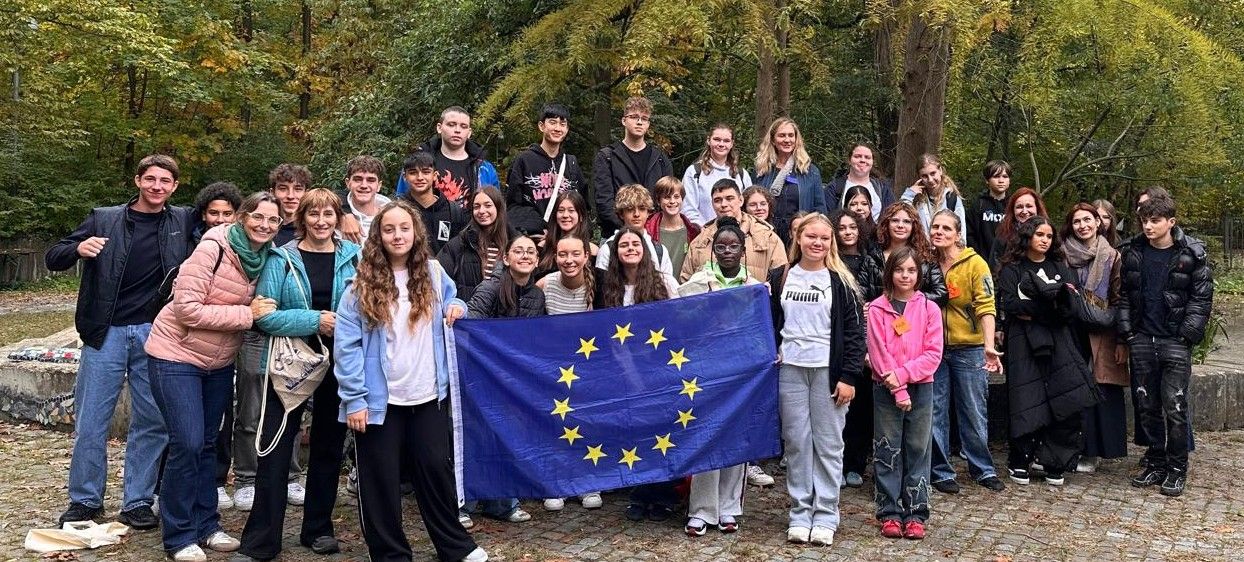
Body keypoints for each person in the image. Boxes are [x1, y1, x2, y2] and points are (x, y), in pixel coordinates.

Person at [45, 154, 195, 530]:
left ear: (175, 186)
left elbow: (231, 223)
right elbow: (54, 257)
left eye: (166, 181)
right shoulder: (104, 218)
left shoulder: (183, 220)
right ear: (138, 180)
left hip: (156, 333)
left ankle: (138, 501)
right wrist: (78, 249)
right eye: (151, 179)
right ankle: (85, 500)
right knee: (92, 421)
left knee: (153, 421)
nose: (158, 186)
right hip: (105, 332)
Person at [334, 200, 487, 562]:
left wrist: (459, 308)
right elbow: (347, 345)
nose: (397, 235)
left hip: (427, 395)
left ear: (416, 231)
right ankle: (389, 553)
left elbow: (456, 302)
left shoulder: (433, 273)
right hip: (378, 402)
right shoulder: (360, 284)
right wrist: (354, 398)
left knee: (435, 472)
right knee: (381, 482)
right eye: (389, 229)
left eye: (404, 228)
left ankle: (455, 547)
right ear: (378, 236)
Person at [144, 192, 281, 561]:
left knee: (206, 444)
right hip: (175, 355)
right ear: (242, 217)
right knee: (186, 443)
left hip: (217, 363)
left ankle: (207, 524)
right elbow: (187, 309)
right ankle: (178, 535)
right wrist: (246, 314)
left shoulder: (266, 257)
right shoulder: (212, 248)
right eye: (258, 217)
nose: (265, 225)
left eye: (273, 220)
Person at [232, 190, 360, 561]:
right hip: (291, 360)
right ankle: (261, 540)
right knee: (275, 446)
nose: (321, 221)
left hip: (341, 359)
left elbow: (368, 306)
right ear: (301, 218)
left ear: (338, 218)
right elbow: (265, 316)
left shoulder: (354, 257)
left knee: (328, 445)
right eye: (314, 215)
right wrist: (315, 320)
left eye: (329, 215)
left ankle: (318, 528)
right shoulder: (280, 258)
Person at [769, 213, 864, 546]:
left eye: (825, 238)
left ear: (831, 242)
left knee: (828, 444)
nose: (817, 243)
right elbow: (769, 324)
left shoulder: (841, 281)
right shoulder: (781, 277)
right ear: (799, 238)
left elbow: (855, 334)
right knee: (796, 442)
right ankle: (800, 512)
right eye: (811, 236)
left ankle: (825, 513)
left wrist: (850, 375)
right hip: (791, 370)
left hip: (829, 373)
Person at [232, 164, 315, 512]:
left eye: (298, 189)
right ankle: (247, 477)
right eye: (284, 189)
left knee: (290, 406)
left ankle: (292, 476)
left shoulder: (312, 224)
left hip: (296, 331)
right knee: (251, 406)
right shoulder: (263, 227)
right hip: (255, 331)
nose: (291, 196)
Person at [1119, 195, 1213, 497]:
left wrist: (1186, 336)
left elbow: (1201, 299)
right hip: (1143, 339)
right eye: (1145, 220)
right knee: (1146, 407)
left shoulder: (1192, 254)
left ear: (1171, 222)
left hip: (1175, 341)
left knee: (1174, 406)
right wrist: (1129, 334)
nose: (1148, 226)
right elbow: (1124, 296)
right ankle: (1155, 463)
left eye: (1155, 220)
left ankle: (1177, 468)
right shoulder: (1133, 252)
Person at [997, 217, 1098, 487]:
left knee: (1060, 397)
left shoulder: (1060, 268)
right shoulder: (1012, 269)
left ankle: (1054, 460)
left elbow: (1070, 307)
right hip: (1022, 343)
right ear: (1027, 236)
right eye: (1039, 234)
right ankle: (1021, 459)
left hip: (1058, 341)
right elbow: (1010, 304)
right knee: (1025, 397)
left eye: (1049, 236)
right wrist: (1047, 309)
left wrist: (1039, 311)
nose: (1044, 240)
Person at [680, 216, 761, 536]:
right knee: (706, 439)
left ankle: (729, 507)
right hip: (705, 374)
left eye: (734, 246)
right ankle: (701, 510)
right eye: (721, 246)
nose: (728, 251)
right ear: (713, 250)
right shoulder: (697, 285)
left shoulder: (754, 288)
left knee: (734, 442)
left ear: (743, 251)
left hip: (740, 377)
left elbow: (760, 332)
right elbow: (682, 323)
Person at [596, 226, 680, 521]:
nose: (630, 248)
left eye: (635, 243)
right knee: (634, 433)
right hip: (623, 371)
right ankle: (640, 494)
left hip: (658, 370)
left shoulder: (664, 283)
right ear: (615, 253)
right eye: (624, 245)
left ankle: (664, 495)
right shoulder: (608, 287)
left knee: (662, 432)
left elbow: (677, 323)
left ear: (644, 249)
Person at [867, 246, 943, 541]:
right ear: (890, 273)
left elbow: (933, 353)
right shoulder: (877, 308)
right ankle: (889, 511)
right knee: (887, 448)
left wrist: (903, 376)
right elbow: (878, 352)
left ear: (919, 274)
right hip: (885, 389)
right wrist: (896, 386)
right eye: (900, 270)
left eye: (911, 270)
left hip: (922, 386)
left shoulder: (929, 309)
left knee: (918, 448)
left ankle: (916, 512)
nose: (906, 276)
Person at [927, 210, 1006, 493]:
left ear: (957, 233)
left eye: (946, 228)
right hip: (934, 348)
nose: (939, 232)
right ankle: (940, 470)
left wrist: (988, 345)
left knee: (973, 409)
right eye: (935, 227)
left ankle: (982, 469)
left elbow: (986, 307)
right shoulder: (926, 262)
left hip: (969, 347)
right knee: (935, 410)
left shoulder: (975, 264)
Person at [535, 234, 603, 512]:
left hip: (590, 368)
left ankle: (589, 482)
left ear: (586, 256)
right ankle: (557, 483)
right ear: (555, 257)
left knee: (587, 423)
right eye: (563, 254)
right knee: (556, 425)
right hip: (555, 367)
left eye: (576, 254)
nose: (569, 260)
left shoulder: (598, 285)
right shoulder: (544, 284)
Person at [1061, 203, 1128, 475]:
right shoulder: (1062, 252)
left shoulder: (1112, 256)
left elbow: (1119, 298)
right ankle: (1071, 449)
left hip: (1102, 331)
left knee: (1099, 391)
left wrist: (1123, 339)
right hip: (1070, 328)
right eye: (1077, 221)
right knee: (1072, 389)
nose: (1083, 226)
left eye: (1087, 220)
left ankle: (1094, 451)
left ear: (1098, 223)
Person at [829, 209, 881, 488]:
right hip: (836, 342)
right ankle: (835, 464)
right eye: (842, 227)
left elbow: (879, 296)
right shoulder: (830, 264)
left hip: (867, 338)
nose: (847, 232)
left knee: (862, 408)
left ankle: (856, 464)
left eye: (852, 227)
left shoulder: (871, 262)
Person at [679, 179, 788, 285]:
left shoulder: (767, 237)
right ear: (712, 204)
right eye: (717, 200)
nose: (723, 204)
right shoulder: (700, 242)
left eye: (729, 198)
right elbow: (686, 283)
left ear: (741, 200)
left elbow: (781, 281)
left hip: (753, 302)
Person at [593, 96, 673, 237]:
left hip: (653, 235)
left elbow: (667, 199)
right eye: (634, 117)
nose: (639, 122)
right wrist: (629, 229)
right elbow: (604, 202)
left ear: (648, 124)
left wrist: (650, 228)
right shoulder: (607, 157)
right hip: (616, 235)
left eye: (644, 118)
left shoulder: (660, 159)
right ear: (624, 120)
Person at [505, 103, 586, 235]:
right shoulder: (524, 160)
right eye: (552, 122)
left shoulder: (571, 163)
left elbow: (582, 205)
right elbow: (514, 206)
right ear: (541, 126)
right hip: (534, 238)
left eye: (562, 124)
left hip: (566, 239)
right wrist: (538, 229)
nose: (557, 128)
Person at [394, 106, 500, 207]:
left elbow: (495, 206)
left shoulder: (484, 168)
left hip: (471, 225)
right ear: (439, 128)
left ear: (469, 132)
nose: (457, 130)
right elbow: (402, 202)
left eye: (463, 126)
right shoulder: (417, 164)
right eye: (451, 124)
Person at [753, 117, 827, 244]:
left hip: (798, 234)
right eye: (782, 136)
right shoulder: (761, 170)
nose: (787, 140)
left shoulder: (810, 171)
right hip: (767, 232)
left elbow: (820, 208)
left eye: (791, 135)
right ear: (773, 140)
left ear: (796, 139)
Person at [437, 186, 513, 301]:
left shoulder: (515, 242)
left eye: (488, 205)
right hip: (469, 313)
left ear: (498, 208)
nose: (482, 211)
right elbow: (438, 278)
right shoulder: (459, 244)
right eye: (476, 207)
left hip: (504, 316)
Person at [876, 202, 948, 306]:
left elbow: (941, 294)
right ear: (887, 224)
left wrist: (909, 300)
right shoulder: (873, 257)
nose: (900, 225)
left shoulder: (926, 257)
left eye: (906, 221)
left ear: (914, 226)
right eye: (895, 220)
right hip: (881, 316)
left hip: (918, 317)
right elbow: (862, 294)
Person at [594, 184, 674, 277]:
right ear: (621, 214)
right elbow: (602, 287)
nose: (636, 214)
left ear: (648, 212)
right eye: (630, 209)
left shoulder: (659, 251)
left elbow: (668, 288)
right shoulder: (608, 249)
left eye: (642, 209)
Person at [681, 123, 752, 226]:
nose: (721, 144)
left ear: (732, 144)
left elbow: (748, 208)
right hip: (704, 235)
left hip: (738, 235)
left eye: (726, 141)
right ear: (708, 140)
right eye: (717, 139)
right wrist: (708, 231)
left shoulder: (741, 174)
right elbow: (688, 209)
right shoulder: (694, 172)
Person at [401, 151, 469, 255]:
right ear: (404, 176)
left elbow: (461, 252)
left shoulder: (453, 211)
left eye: (426, 172)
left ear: (435, 175)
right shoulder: (398, 211)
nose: (420, 177)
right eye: (413, 173)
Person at [644, 176, 700, 276]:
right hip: (657, 288)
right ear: (658, 201)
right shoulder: (648, 230)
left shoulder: (693, 231)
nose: (672, 201)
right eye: (667, 197)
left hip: (686, 287)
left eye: (676, 196)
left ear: (682, 199)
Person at [536, 191, 598, 279]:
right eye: (561, 211)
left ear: (581, 216)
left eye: (571, 211)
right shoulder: (543, 247)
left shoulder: (593, 251)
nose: (565, 215)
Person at [900, 154, 966, 236]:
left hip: (944, 247)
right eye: (924, 176)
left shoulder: (951, 198)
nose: (930, 180)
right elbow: (902, 215)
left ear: (940, 171)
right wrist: (908, 195)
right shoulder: (916, 198)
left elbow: (961, 232)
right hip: (921, 247)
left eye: (933, 173)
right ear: (919, 177)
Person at [825, 143, 895, 220]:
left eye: (867, 157)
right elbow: (828, 219)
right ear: (849, 160)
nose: (862, 160)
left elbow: (891, 215)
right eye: (857, 156)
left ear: (872, 161)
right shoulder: (834, 188)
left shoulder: (882, 188)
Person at [966, 160, 1012, 270]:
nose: (1001, 181)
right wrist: (978, 258)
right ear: (987, 180)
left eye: (1005, 176)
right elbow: (969, 234)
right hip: (982, 263)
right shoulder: (978, 205)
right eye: (996, 176)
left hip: (1009, 264)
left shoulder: (1014, 205)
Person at [991, 187, 1049, 269]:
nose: (1024, 211)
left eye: (1029, 206)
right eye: (1019, 207)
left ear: (1037, 208)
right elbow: (994, 266)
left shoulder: (1048, 234)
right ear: (1013, 211)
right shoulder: (1003, 235)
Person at [343, 155, 393, 243]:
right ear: (348, 183)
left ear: (379, 186)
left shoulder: (394, 216)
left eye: (371, 180)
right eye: (358, 179)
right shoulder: (334, 215)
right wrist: (344, 215)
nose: (364, 185)